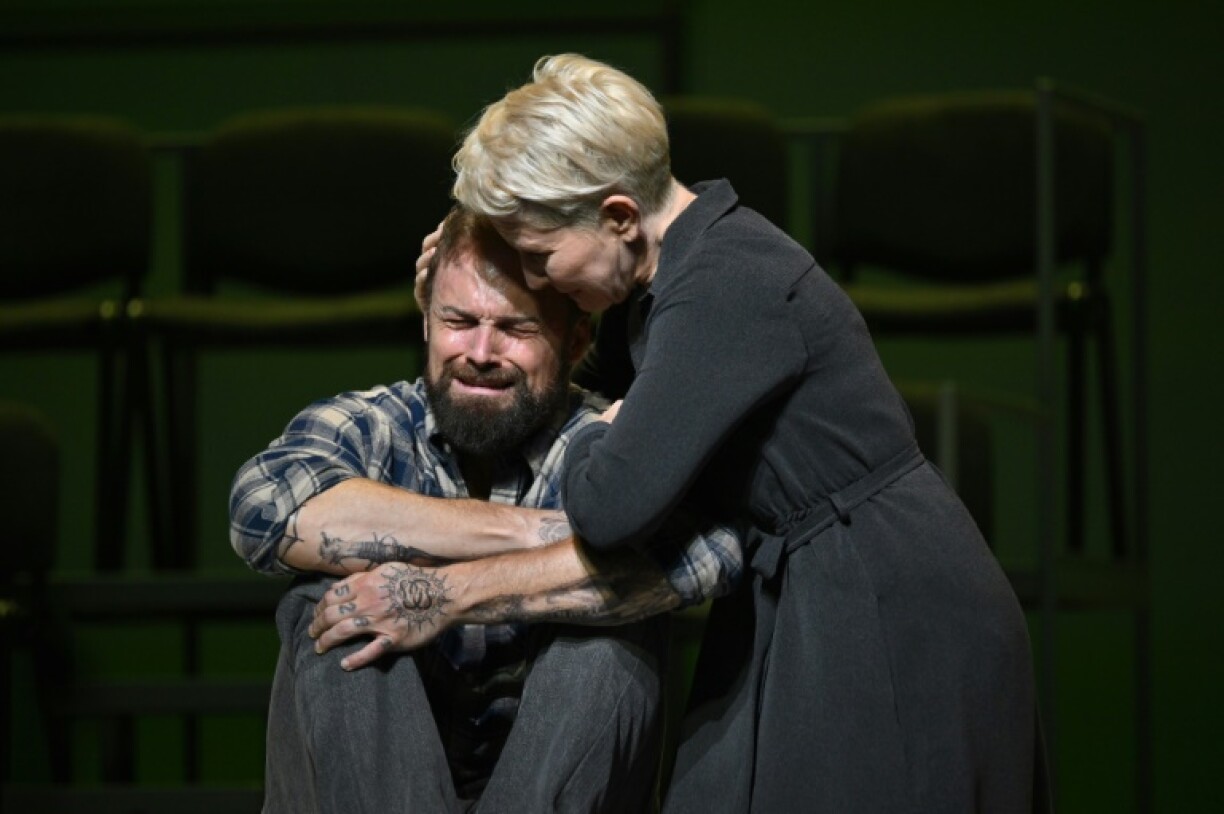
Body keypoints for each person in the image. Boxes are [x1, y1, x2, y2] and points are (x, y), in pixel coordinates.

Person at [403, 53, 1049, 813]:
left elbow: (611, 506)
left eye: (541, 258)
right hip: (805, 585)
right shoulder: (667, 279)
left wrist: (601, 437)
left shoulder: (725, 287)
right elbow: (592, 403)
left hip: (887, 604)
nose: (539, 281)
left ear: (617, 217)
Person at [230, 205, 742, 813]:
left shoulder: (603, 443)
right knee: (330, 605)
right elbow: (259, 507)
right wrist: (543, 535)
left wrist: (442, 592)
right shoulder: (374, 425)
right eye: (458, 321)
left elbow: (713, 549)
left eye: (515, 329)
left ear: (575, 340)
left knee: (608, 638)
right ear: (427, 323)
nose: (479, 351)